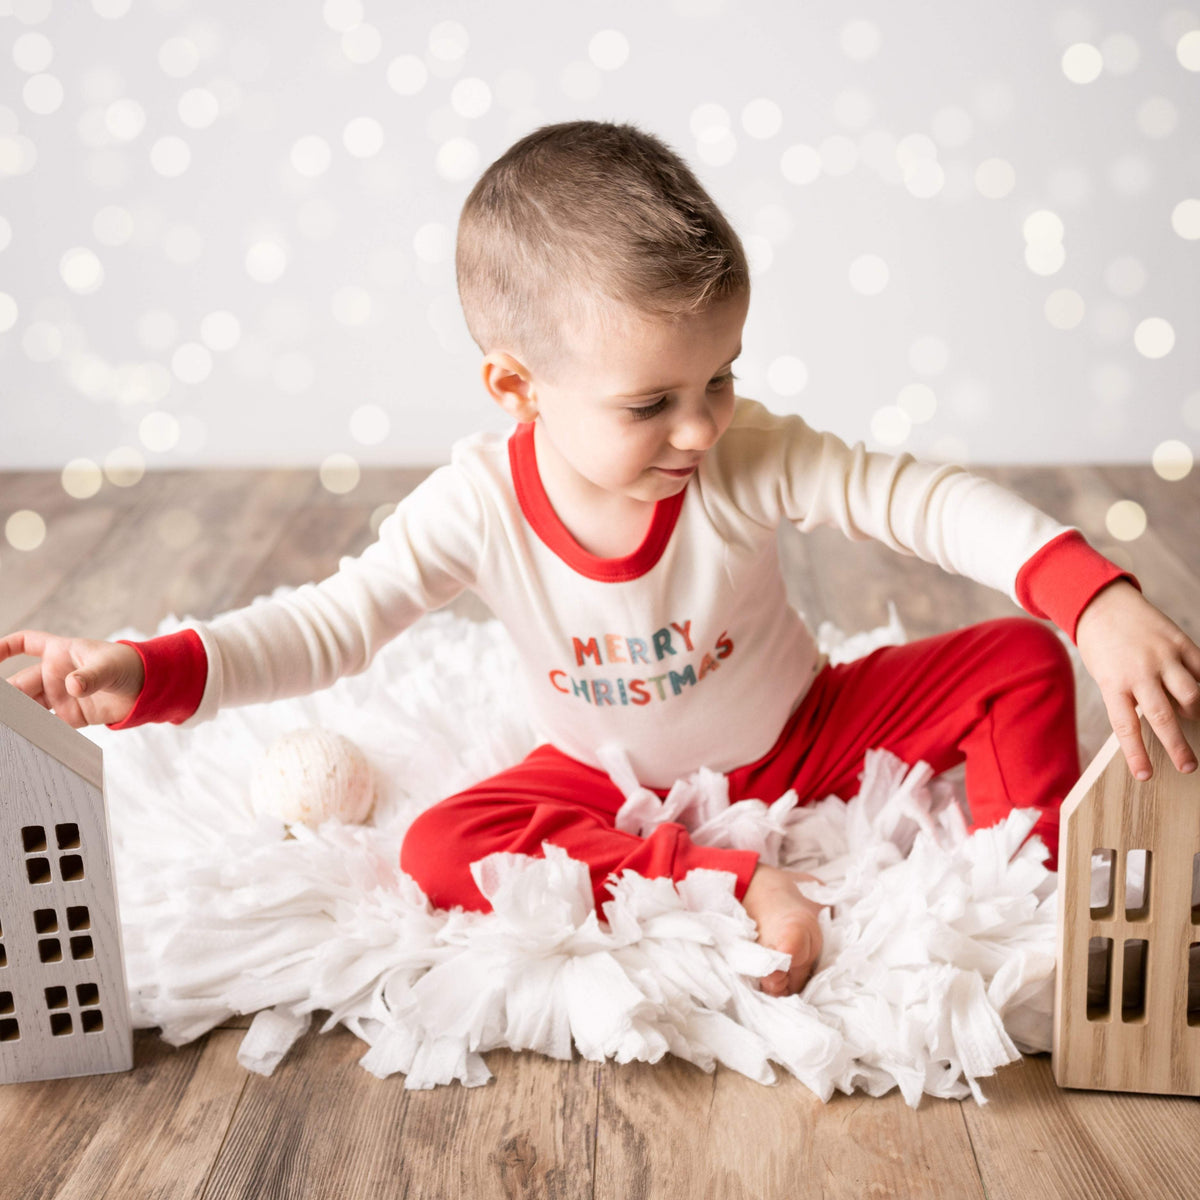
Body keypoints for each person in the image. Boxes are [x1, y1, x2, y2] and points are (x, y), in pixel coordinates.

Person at [3, 121, 1198, 999]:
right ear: (517, 387)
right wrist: (141, 667)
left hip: (804, 729)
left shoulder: (745, 458)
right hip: (604, 776)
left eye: (721, 377)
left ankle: (1026, 895)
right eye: (653, 402)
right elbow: (330, 624)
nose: (703, 426)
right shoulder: (477, 505)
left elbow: (924, 502)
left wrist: (1095, 600)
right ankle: (725, 878)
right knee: (438, 848)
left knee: (1018, 663)